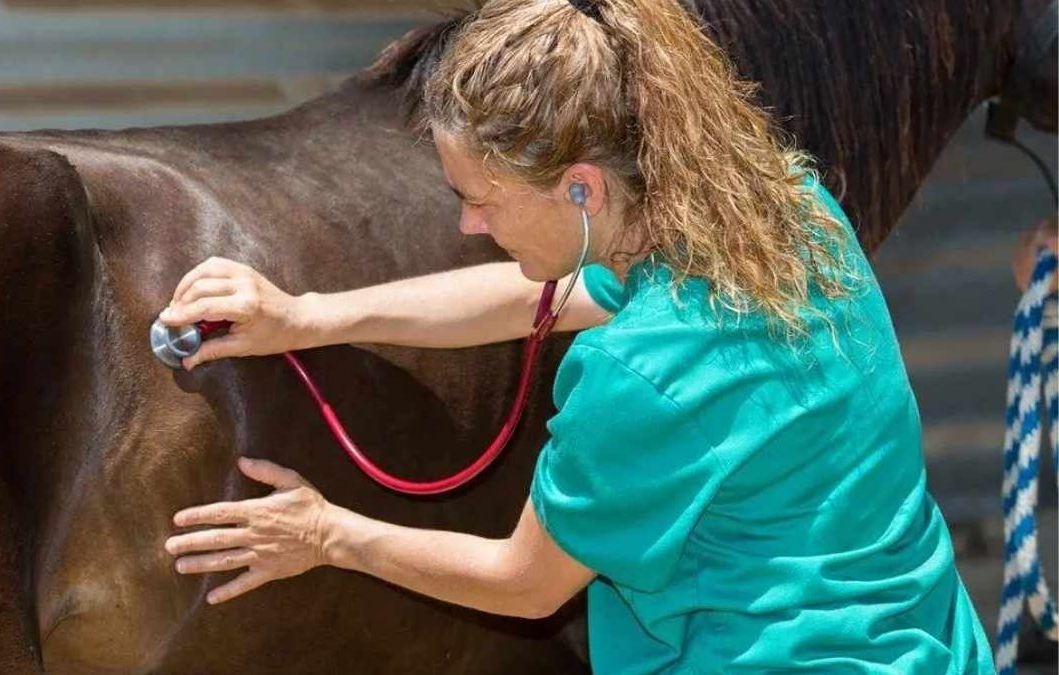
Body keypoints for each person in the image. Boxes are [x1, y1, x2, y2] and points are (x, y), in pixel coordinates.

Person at [159, 0, 995, 671]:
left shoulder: (639, 374)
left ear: (582, 189)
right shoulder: (789, 211)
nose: (469, 222)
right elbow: (546, 298)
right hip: (931, 642)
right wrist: (310, 313)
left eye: (482, 198)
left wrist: (327, 533)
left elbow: (524, 582)